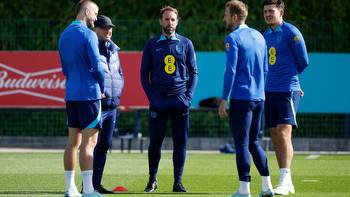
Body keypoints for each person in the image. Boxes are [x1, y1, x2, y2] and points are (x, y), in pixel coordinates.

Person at [140, 5, 198, 193]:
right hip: (159, 102)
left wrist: (188, 97)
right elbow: (143, 74)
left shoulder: (186, 43)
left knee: (180, 142)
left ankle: (178, 182)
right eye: (166, 19)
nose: (170, 22)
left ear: (177, 21)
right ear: (160, 21)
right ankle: (152, 180)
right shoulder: (151, 44)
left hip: (179, 101)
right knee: (155, 142)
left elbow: (194, 72)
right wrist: (152, 98)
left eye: (173, 19)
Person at [218, 1, 273, 197]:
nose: (224, 18)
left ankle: (244, 190)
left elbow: (230, 71)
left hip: (242, 98)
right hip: (260, 98)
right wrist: (259, 90)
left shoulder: (232, 38)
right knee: (253, 142)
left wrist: (224, 98)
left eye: (226, 14)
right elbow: (266, 69)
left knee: (241, 143)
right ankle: (267, 187)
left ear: (234, 17)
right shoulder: (259, 36)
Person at [58, 0, 106, 197]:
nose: (95, 17)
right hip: (89, 95)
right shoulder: (89, 34)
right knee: (89, 144)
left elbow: (64, 69)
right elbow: (97, 66)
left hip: (71, 94)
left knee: (72, 143)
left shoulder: (63, 35)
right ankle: (88, 190)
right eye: (95, 13)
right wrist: (102, 87)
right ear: (86, 11)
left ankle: (70, 189)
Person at [262, 0, 309, 195]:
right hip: (269, 91)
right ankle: (284, 180)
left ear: (281, 12)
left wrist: (291, 80)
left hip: (287, 90)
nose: (268, 14)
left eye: (271, 11)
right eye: (265, 11)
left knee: (283, 133)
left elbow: (303, 61)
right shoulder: (265, 35)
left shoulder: (291, 32)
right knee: (274, 135)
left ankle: (286, 181)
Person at [92, 15, 124, 194]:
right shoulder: (92, 48)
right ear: (95, 29)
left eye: (110, 27)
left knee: (103, 146)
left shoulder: (113, 49)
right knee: (90, 146)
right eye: (104, 27)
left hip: (112, 106)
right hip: (97, 105)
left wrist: (118, 91)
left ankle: (96, 184)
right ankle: (87, 185)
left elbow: (119, 73)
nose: (108, 30)